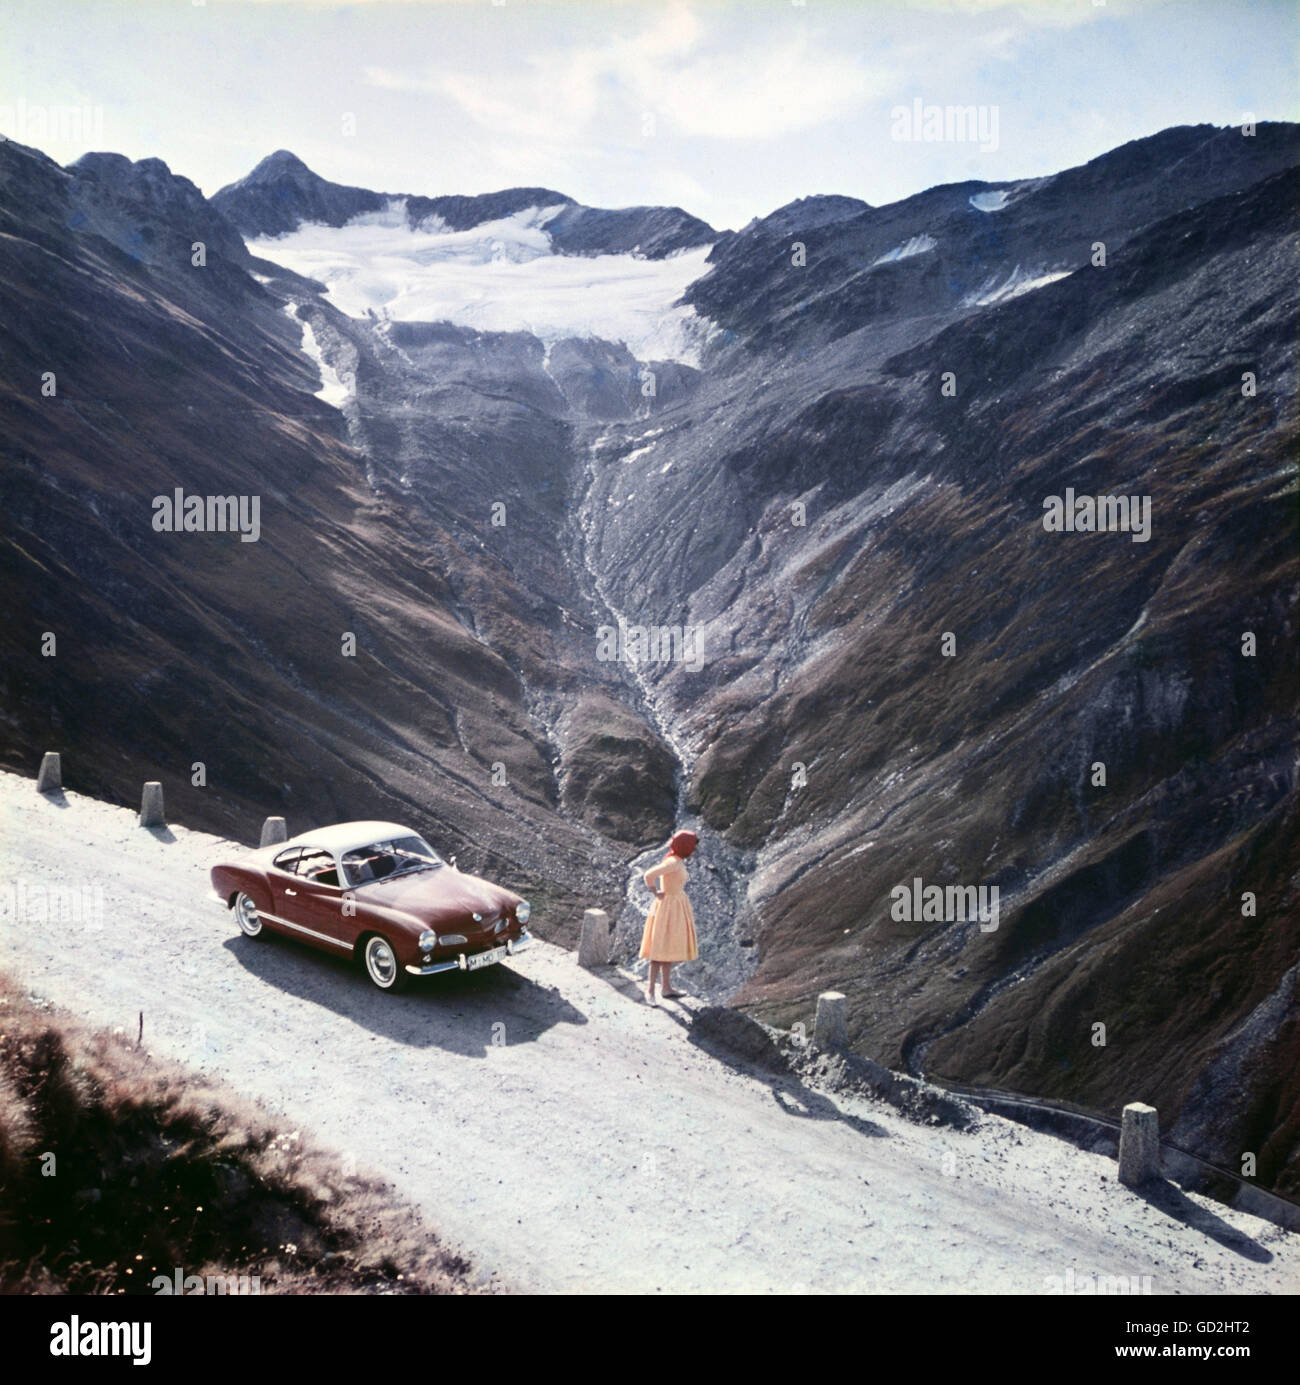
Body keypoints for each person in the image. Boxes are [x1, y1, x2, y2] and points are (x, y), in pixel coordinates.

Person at [639, 829, 699, 1003]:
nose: (693, 850)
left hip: (675, 905)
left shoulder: (676, 860)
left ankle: (666, 988)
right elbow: (649, 875)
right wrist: (655, 892)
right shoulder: (673, 862)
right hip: (668, 906)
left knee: (667, 947)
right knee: (659, 949)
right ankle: (650, 991)